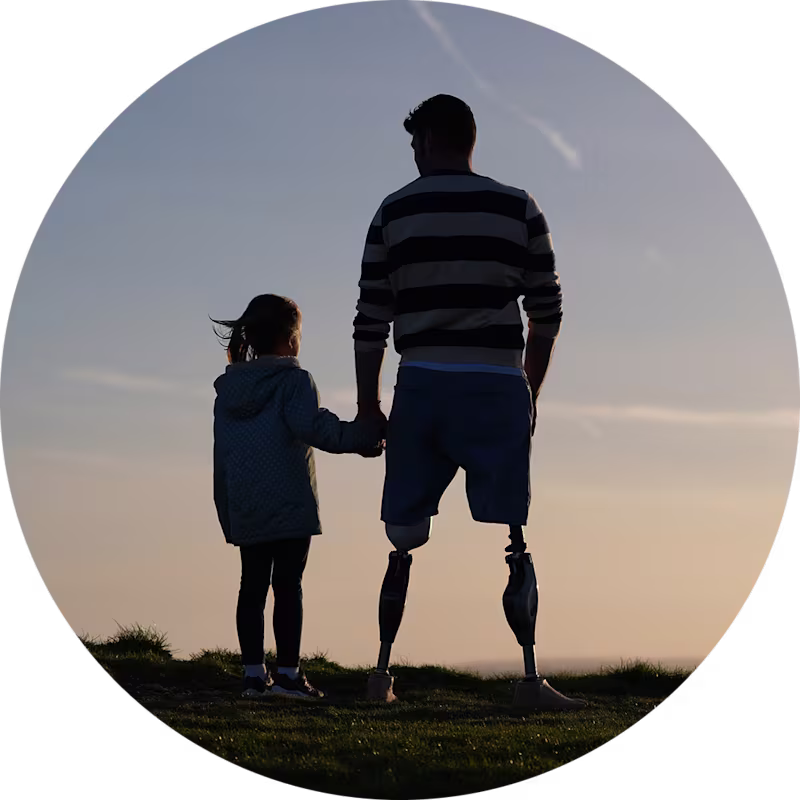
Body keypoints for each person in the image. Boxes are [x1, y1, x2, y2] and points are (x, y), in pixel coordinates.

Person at [353, 95, 586, 709]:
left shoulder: (393, 211)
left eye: (414, 144)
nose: (413, 155)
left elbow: (371, 319)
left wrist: (369, 406)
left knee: (403, 532)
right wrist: (529, 389)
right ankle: (529, 678)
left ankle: (381, 677)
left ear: (430, 139)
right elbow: (547, 311)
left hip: (422, 382)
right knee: (513, 531)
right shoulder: (518, 206)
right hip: (495, 383)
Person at [212, 293, 385, 700]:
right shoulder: (294, 381)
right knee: (288, 585)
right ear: (291, 339)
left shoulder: (230, 389)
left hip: (246, 502)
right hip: (289, 502)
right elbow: (315, 428)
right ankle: (288, 675)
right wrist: (362, 438)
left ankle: (254, 676)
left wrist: (227, 508)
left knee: (251, 586)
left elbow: (222, 455)